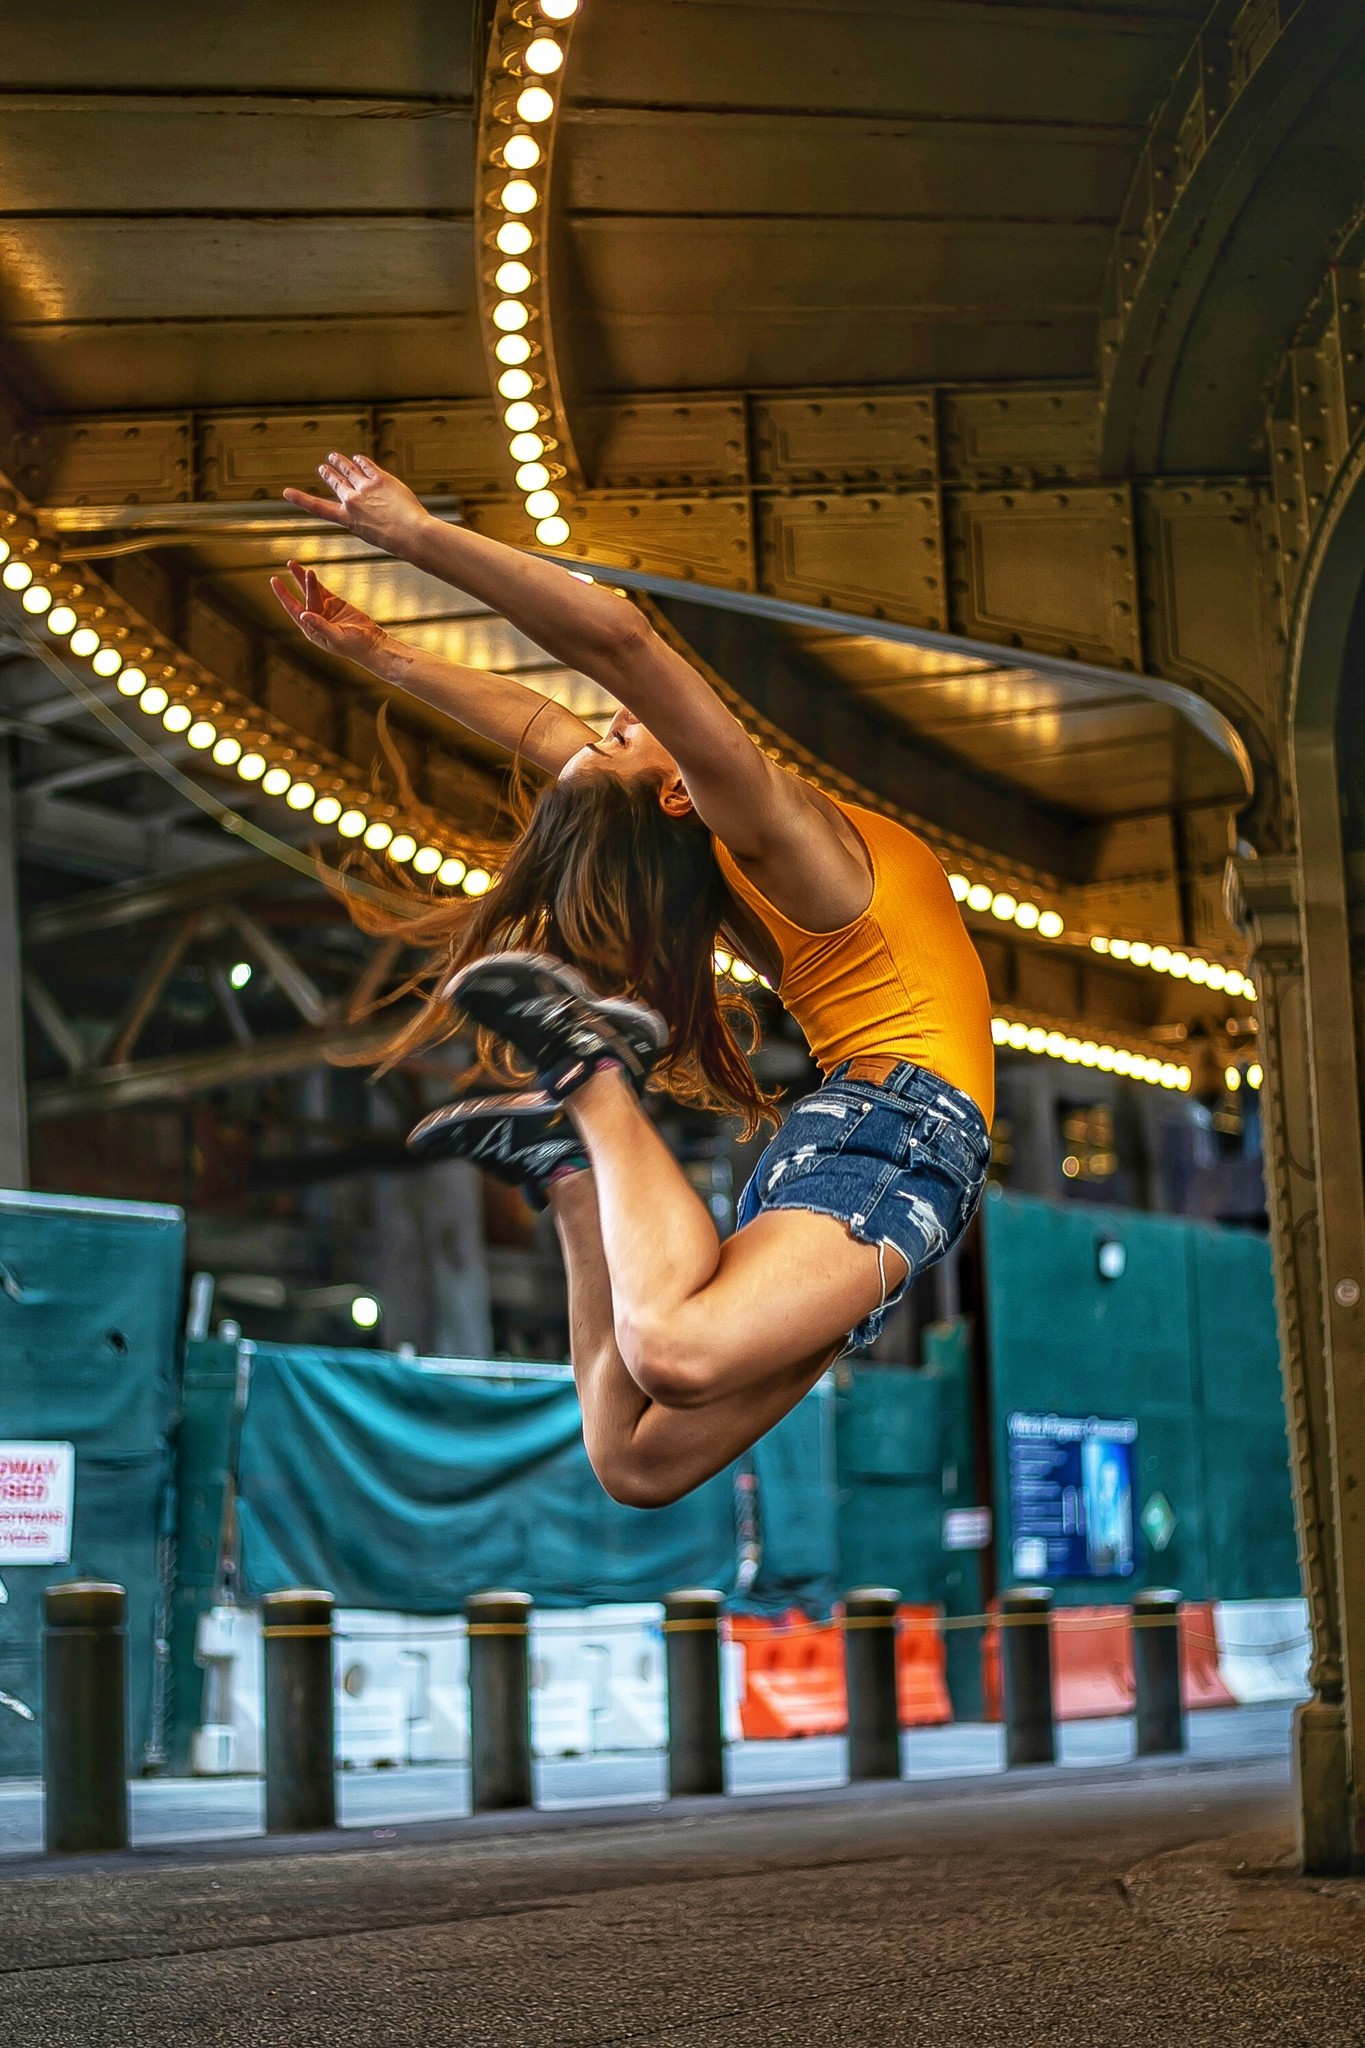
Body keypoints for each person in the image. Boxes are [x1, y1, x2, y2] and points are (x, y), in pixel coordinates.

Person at [273, 452, 995, 1507]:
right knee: (666, 1364)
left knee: (635, 1456)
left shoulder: (737, 853)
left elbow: (553, 725)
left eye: (611, 726)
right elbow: (617, 639)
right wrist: (417, 539)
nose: (606, 719)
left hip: (866, 1129)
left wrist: (387, 653)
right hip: (902, 1125)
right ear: (674, 792)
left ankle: (574, 1176)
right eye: (621, 734)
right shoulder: (760, 824)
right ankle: (594, 1081)